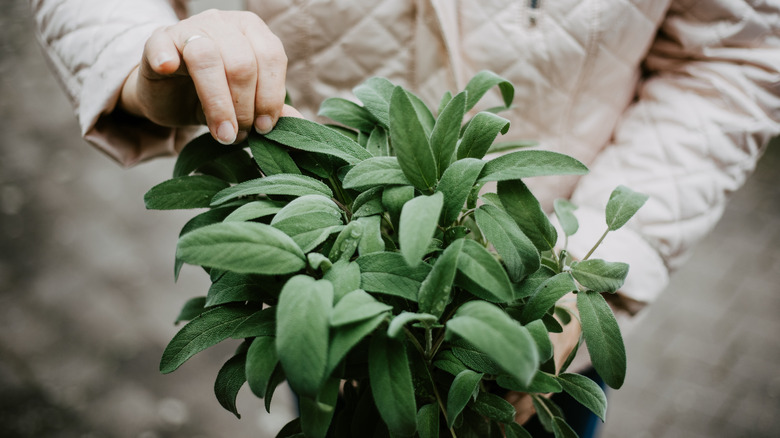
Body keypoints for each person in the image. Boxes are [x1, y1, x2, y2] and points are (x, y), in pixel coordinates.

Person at [31, 0, 780, 435]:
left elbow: (735, 55)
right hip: (329, 301)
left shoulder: (560, 290)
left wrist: (591, 273)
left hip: (542, 310)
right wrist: (143, 64)